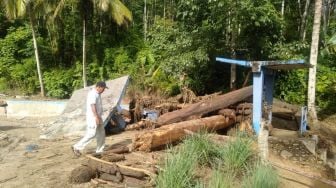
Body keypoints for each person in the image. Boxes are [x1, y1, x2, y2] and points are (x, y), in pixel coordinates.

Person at [72, 81, 108, 157]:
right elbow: (92, 105)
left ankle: (100, 150)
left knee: (101, 133)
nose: (104, 90)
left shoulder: (97, 94)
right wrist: (96, 117)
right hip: (93, 117)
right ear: (99, 87)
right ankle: (76, 147)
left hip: (98, 116)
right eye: (103, 89)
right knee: (92, 133)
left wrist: (99, 116)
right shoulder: (93, 94)